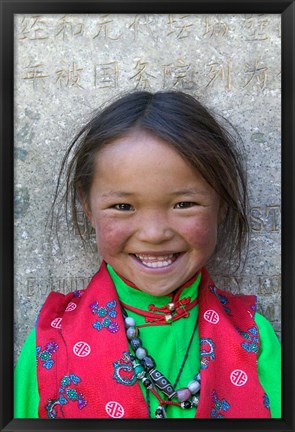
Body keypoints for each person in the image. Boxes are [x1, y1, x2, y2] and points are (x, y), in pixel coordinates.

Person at [14, 90, 281, 419]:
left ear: (221, 205)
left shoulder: (253, 341)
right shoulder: (50, 345)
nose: (154, 233)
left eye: (184, 204)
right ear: (88, 207)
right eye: (123, 207)